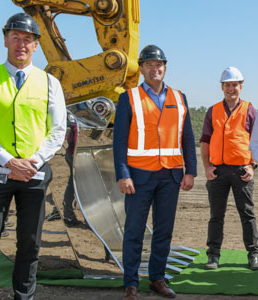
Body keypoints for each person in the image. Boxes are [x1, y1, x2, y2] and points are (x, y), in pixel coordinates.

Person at [0, 13, 66, 300]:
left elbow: (58, 130)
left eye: (27, 40)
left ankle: (24, 296)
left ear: (36, 45)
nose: (21, 44)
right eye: (16, 38)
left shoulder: (50, 84)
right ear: (6, 40)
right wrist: (8, 161)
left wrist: (32, 161)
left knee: (30, 243)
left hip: (34, 173)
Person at [113, 45, 197, 300]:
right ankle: (130, 282)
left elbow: (188, 138)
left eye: (158, 64)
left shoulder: (179, 97)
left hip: (170, 175)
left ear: (165, 67)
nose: (154, 69)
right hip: (138, 177)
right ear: (141, 68)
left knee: (164, 230)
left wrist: (190, 170)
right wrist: (122, 174)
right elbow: (119, 141)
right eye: (149, 65)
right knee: (134, 230)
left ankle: (157, 278)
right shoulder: (129, 97)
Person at [200, 66, 258, 271]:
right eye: (227, 85)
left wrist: (253, 166)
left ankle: (254, 254)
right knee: (216, 215)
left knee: (247, 214)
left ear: (241, 86)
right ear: (222, 87)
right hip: (217, 171)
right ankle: (213, 256)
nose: (231, 89)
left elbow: (257, 143)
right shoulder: (212, 111)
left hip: (242, 171)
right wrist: (207, 166)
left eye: (235, 85)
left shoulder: (251, 110)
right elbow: (205, 142)